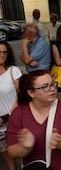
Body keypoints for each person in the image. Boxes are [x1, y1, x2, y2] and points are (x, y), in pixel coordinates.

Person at [6, 70, 61, 170]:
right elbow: (12, 150)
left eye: (52, 84)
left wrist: (60, 142)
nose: (52, 89)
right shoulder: (18, 114)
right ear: (31, 93)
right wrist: (25, 147)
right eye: (45, 87)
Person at [0, 41, 22, 170]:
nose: (2, 55)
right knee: (10, 162)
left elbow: (21, 96)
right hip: (0, 127)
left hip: (15, 122)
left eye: (4, 52)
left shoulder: (14, 71)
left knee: (25, 155)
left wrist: (8, 116)